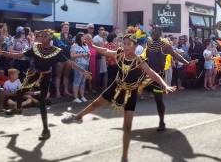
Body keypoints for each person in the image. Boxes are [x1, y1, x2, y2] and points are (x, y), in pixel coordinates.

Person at [61, 34, 176, 162]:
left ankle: (125, 157)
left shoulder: (139, 61)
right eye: (124, 43)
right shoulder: (120, 53)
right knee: (96, 104)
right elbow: (106, 51)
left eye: (129, 44)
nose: (125, 46)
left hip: (130, 92)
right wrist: (92, 46)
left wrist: (165, 85)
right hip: (116, 86)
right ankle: (77, 117)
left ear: (135, 46)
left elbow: (154, 75)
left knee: (127, 127)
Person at [0, 29, 91, 140]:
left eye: (44, 36)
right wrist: (3, 53)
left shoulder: (56, 51)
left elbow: (70, 63)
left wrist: (83, 71)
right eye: (40, 36)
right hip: (34, 74)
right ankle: (18, 108)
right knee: (20, 91)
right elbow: (19, 55)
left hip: (46, 76)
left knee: (42, 103)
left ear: (50, 38)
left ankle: (46, 130)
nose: (41, 37)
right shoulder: (35, 48)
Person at [143, 26, 197, 131]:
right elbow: (146, 57)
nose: (152, 34)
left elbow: (176, 55)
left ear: (159, 34)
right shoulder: (149, 43)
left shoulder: (165, 46)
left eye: (154, 32)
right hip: (148, 74)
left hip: (159, 75)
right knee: (134, 88)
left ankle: (162, 122)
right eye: (151, 32)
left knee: (158, 99)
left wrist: (187, 63)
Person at [54, 22, 73, 98]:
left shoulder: (70, 36)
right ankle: (58, 92)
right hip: (60, 59)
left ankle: (66, 91)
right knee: (58, 76)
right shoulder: (57, 35)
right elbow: (55, 48)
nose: (66, 29)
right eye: (65, 27)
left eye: (67, 27)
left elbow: (71, 48)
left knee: (66, 76)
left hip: (68, 59)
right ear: (61, 28)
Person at [71, 32, 90, 103]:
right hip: (78, 65)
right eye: (83, 37)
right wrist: (82, 54)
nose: (84, 38)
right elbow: (72, 55)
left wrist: (88, 55)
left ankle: (82, 96)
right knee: (77, 80)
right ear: (79, 37)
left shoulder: (86, 45)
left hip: (86, 64)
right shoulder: (74, 45)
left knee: (83, 81)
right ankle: (75, 97)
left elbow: (88, 54)